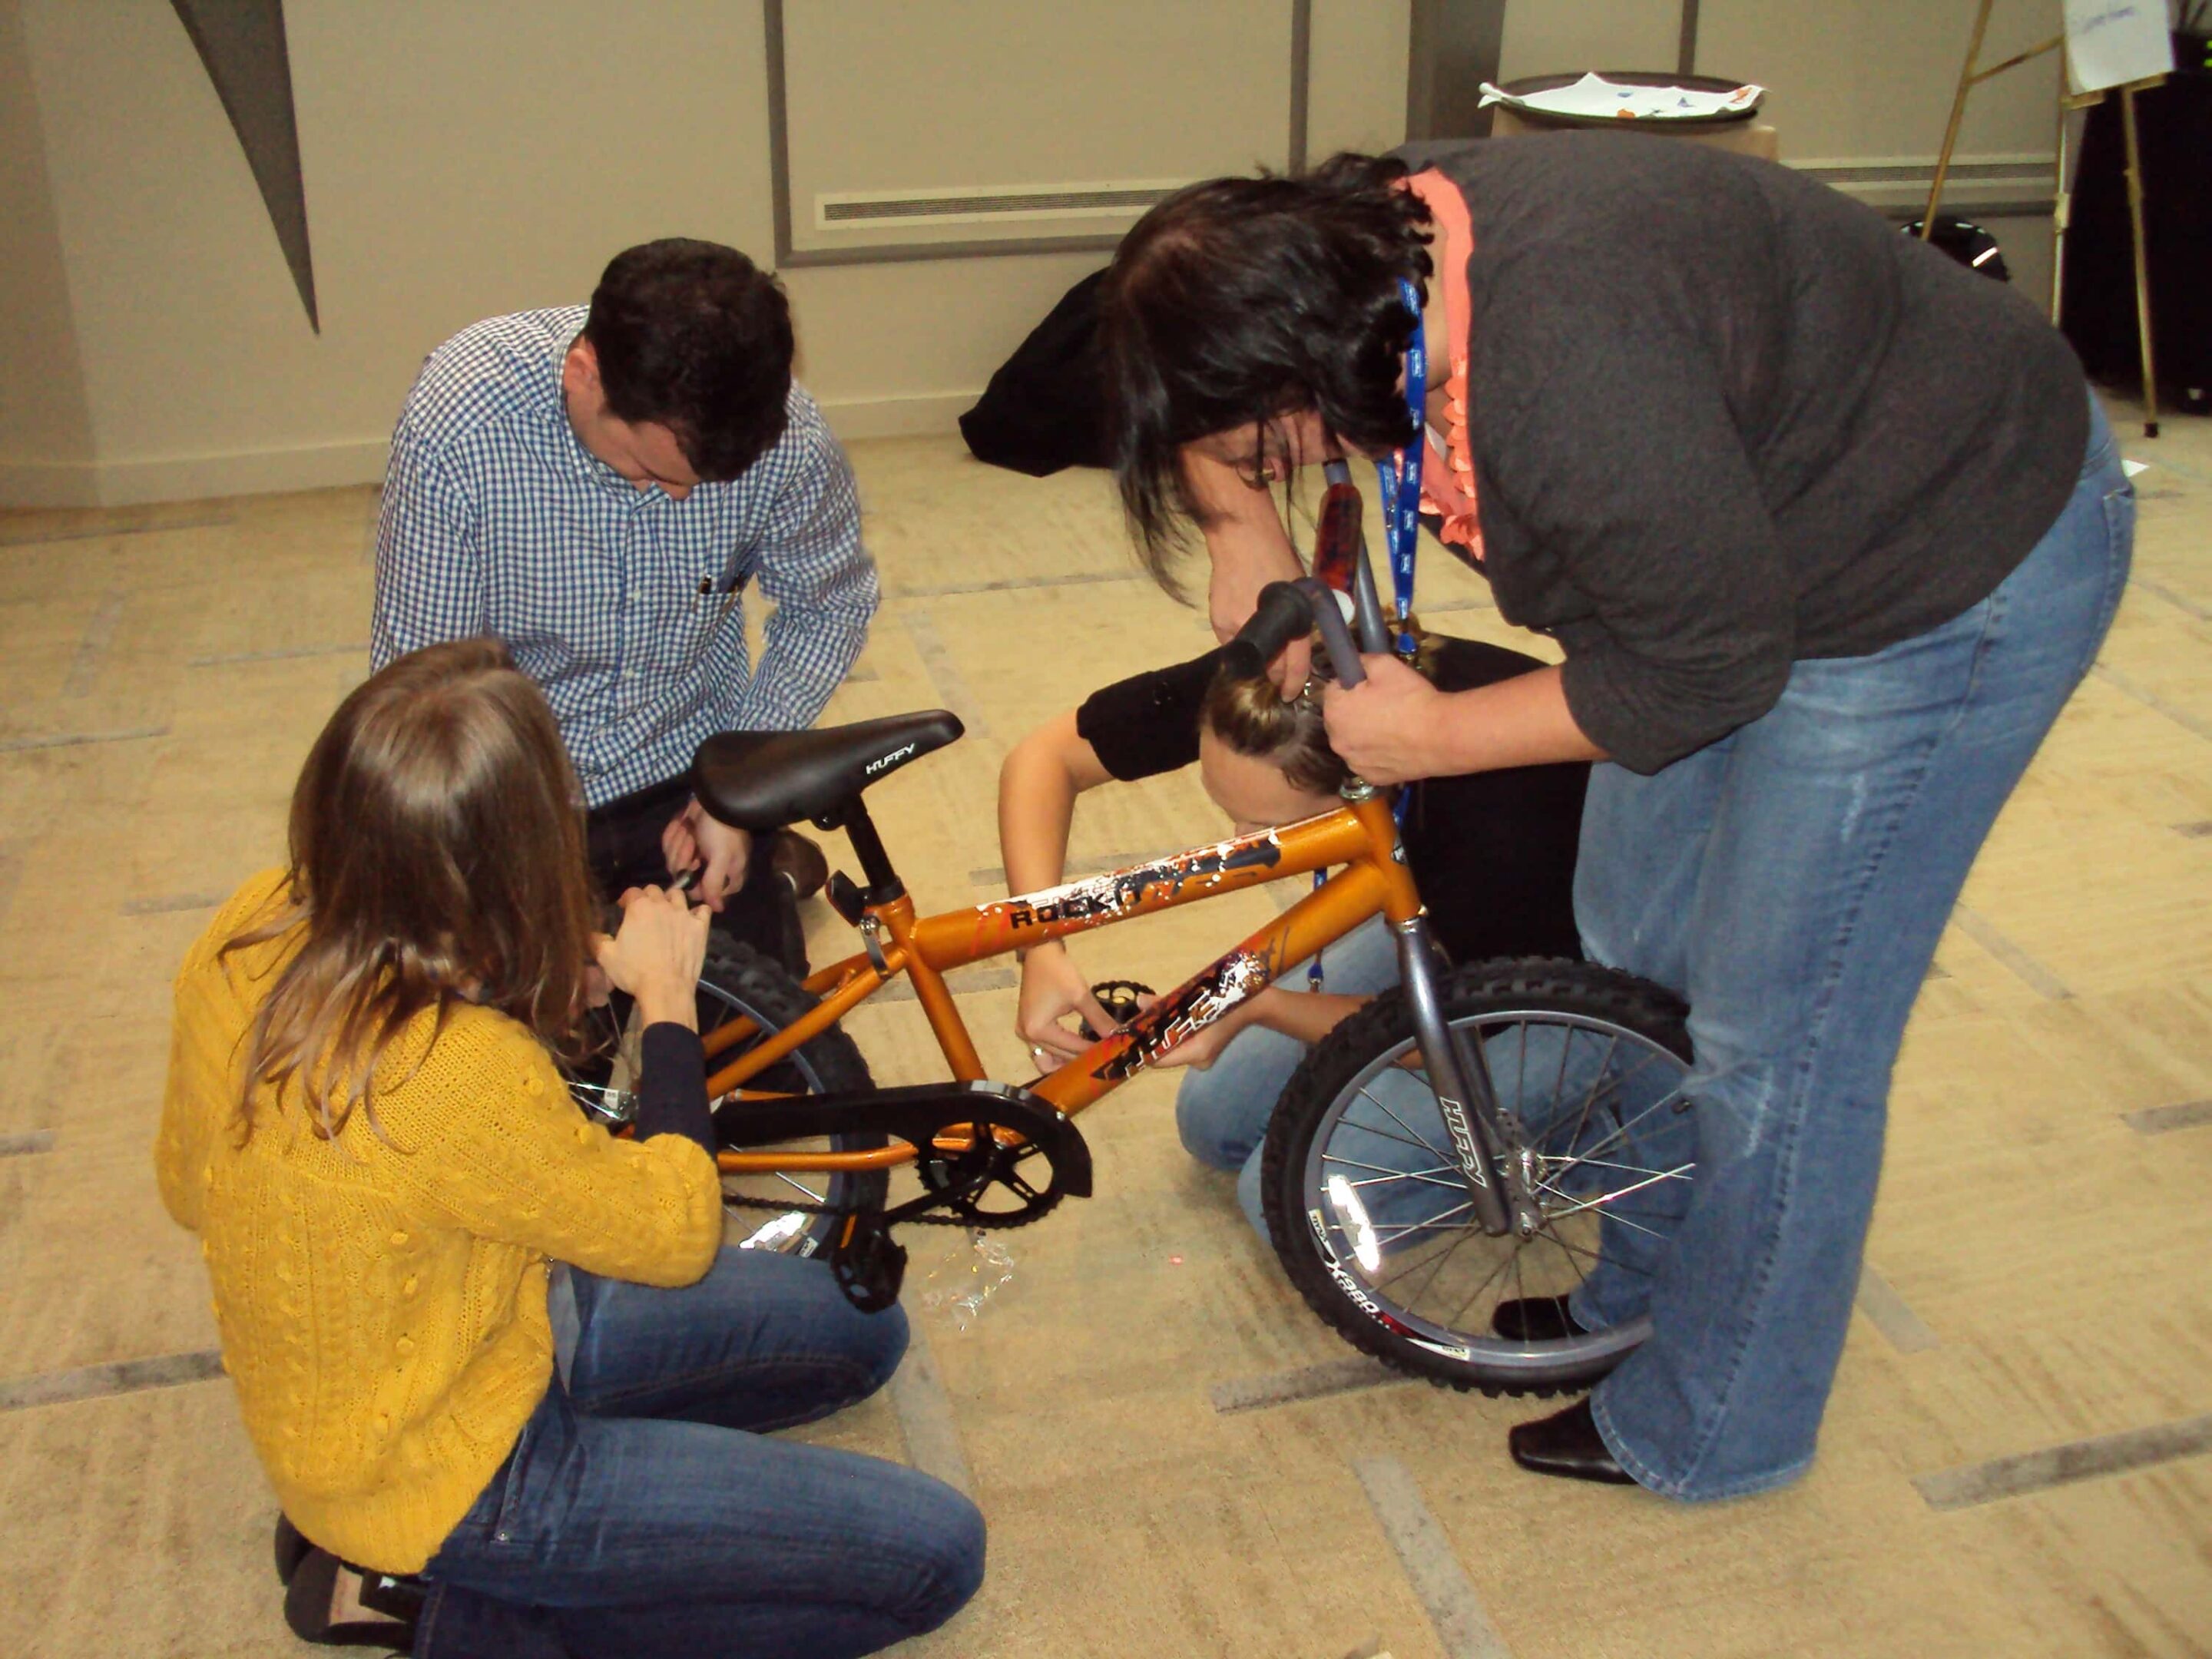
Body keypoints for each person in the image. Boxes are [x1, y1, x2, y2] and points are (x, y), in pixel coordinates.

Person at [1095, 136, 2132, 1498]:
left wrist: (1442, 735)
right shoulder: (1366, 247)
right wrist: (1243, 523)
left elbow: (1708, 671)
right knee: (1631, 945)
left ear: (1303, 374)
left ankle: (1718, 1426)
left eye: (1252, 446)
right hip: (1735, 549)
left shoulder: (1568, 381)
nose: (1245, 468)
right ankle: (1645, 1278)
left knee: (1783, 1041)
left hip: (1939, 572)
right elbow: (1156, 342)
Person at [155, 639, 982, 1658]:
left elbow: (187, 1190)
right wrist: (668, 1008)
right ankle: (445, 1608)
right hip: (474, 1477)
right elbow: (676, 1233)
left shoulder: (251, 922)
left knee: (862, 1337)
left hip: (469, 1343)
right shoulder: (460, 1072)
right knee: (938, 1555)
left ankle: (407, 1545)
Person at [371, 238, 879, 975]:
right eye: (648, 468)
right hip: (512, 789)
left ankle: (772, 856)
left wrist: (738, 791)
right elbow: (423, 689)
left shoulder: (786, 433)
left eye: (703, 482)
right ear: (585, 375)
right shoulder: (463, 420)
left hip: (693, 770)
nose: (679, 497)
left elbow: (827, 606)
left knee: (773, 1062)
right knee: (524, 1074)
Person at [999, 630, 1586, 1240]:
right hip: (1437, 913)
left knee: (1290, 1205)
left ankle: (1615, 1126)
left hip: (1564, 965)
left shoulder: (1497, 821)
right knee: (1214, 1123)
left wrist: (1263, 1005)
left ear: (1367, 780)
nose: (1237, 841)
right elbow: (1045, 759)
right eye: (1229, 811)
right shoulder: (1270, 687)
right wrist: (1040, 943)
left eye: (1270, 826)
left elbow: (1437, 1031)